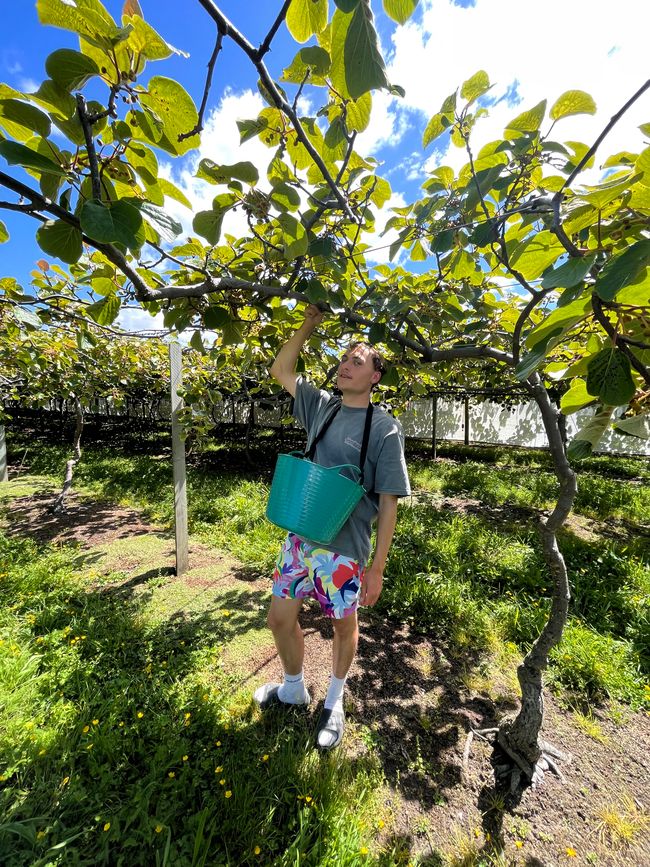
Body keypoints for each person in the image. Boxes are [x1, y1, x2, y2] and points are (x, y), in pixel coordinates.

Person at [253, 304, 410, 749]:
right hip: (301, 538)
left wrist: (376, 567)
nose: (344, 366)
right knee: (279, 617)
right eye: (343, 359)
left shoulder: (384, 428)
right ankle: (293, 687)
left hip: (344, 549)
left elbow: (388, 500)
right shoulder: (320, 408)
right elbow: (281, 368)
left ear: (375, 376)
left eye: (356, 362)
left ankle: (334, 702)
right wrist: (309, 324)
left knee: (344, 625)